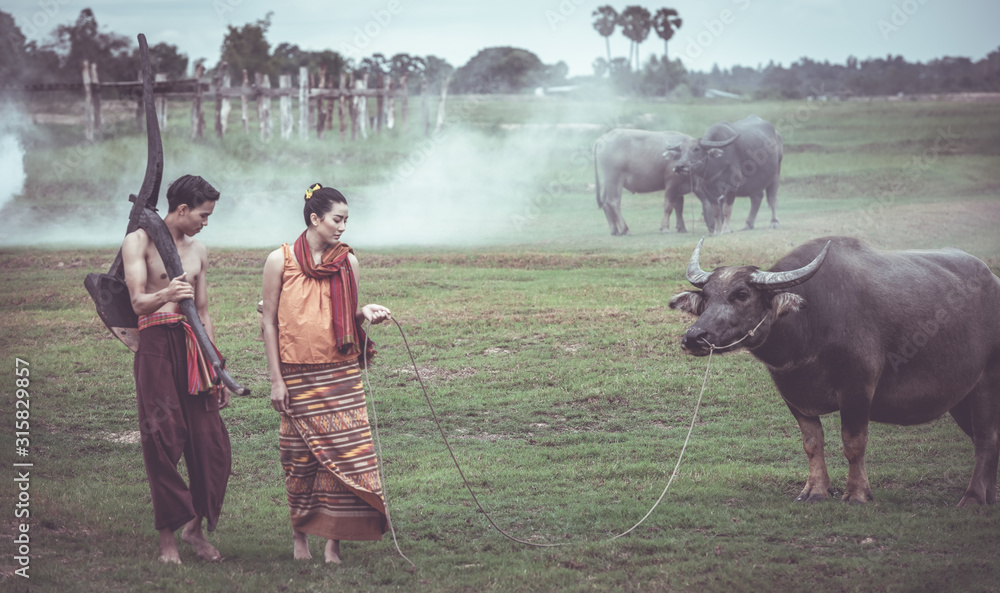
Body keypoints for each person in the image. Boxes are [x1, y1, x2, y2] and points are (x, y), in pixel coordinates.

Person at [260, 183, 391, 564]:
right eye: (338, 219)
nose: (343, 227)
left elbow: (344, 317)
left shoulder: (347, 261)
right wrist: (276, 380)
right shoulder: (278, 261)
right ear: (315, 218)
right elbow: (269, 322)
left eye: (347, 220)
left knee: (346, 459)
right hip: (296, 375)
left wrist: (363, 312)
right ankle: (299, 537)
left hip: (340, 375)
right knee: (298, 459)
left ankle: (334, 542)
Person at [121, 175, 232, 564]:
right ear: (182, 209)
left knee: (212, 444)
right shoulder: (139, 241)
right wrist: (168, 293)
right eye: (203, 215)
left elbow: (202, 311)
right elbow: (136, 303)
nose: (206, 222)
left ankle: (193, 530)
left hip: (192, 346)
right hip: (155, 346)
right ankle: (167, 539)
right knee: (163, 439)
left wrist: (214, 365)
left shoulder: (199, 250)